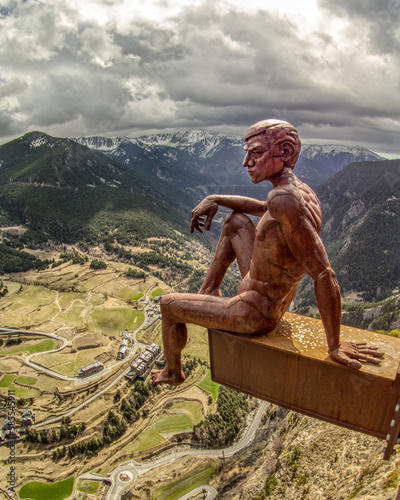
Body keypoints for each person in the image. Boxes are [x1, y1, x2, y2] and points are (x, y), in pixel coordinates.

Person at [151, 119, 383, 387]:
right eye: (247, 153)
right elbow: (264, 208)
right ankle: (210, 291)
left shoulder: (285, 200)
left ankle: (172, 372)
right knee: (234, 221)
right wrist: (216, 198)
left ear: (284, 152)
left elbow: (323, 273)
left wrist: (335, 346)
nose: (246, 162)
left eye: (256, 153)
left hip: (256, 312)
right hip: (263, 290)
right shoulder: (298, 192)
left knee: (167, 305)